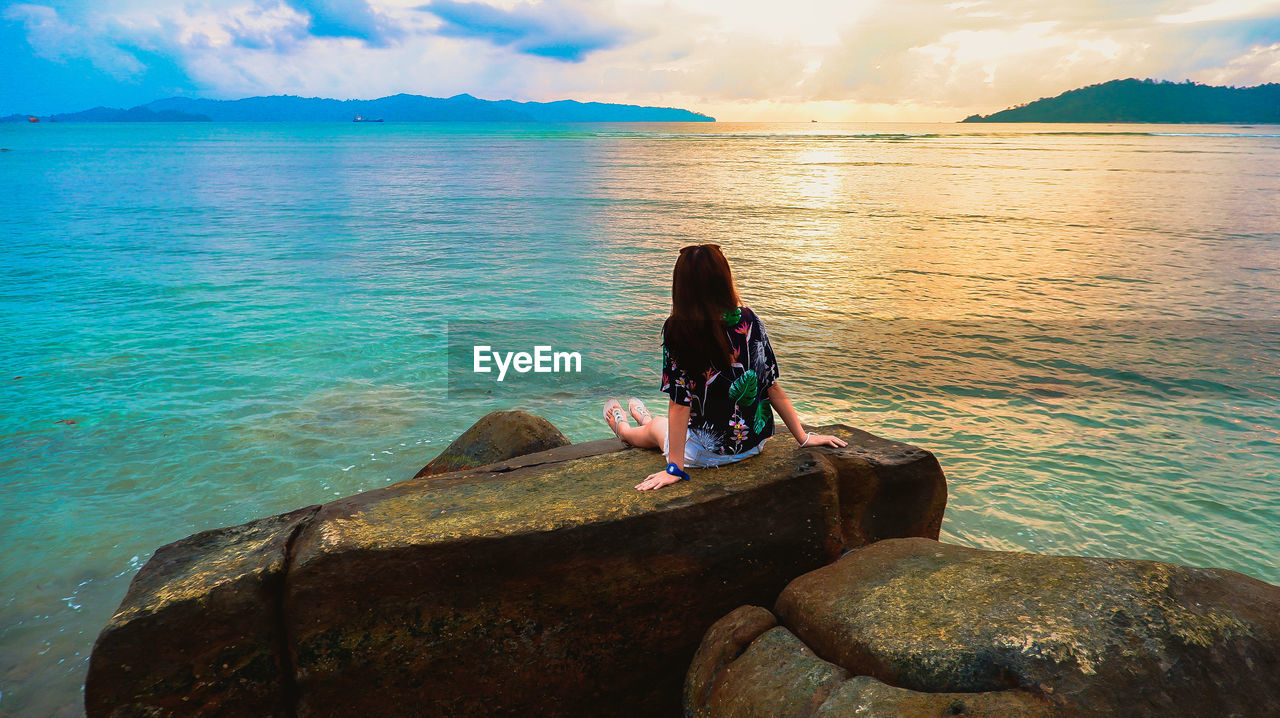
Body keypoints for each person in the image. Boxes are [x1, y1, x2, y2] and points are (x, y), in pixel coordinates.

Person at [603, 243, 847, 491]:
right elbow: (770, 385)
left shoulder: (678, 329)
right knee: (663, 424)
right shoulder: (749, 319)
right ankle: (642, 418)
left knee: (657, 428)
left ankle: (624, 429)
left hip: (707, 455)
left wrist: (674, 469)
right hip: (753, 445)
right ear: (724, 279)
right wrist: (803, 438)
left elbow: (679, 404)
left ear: (682, 286)